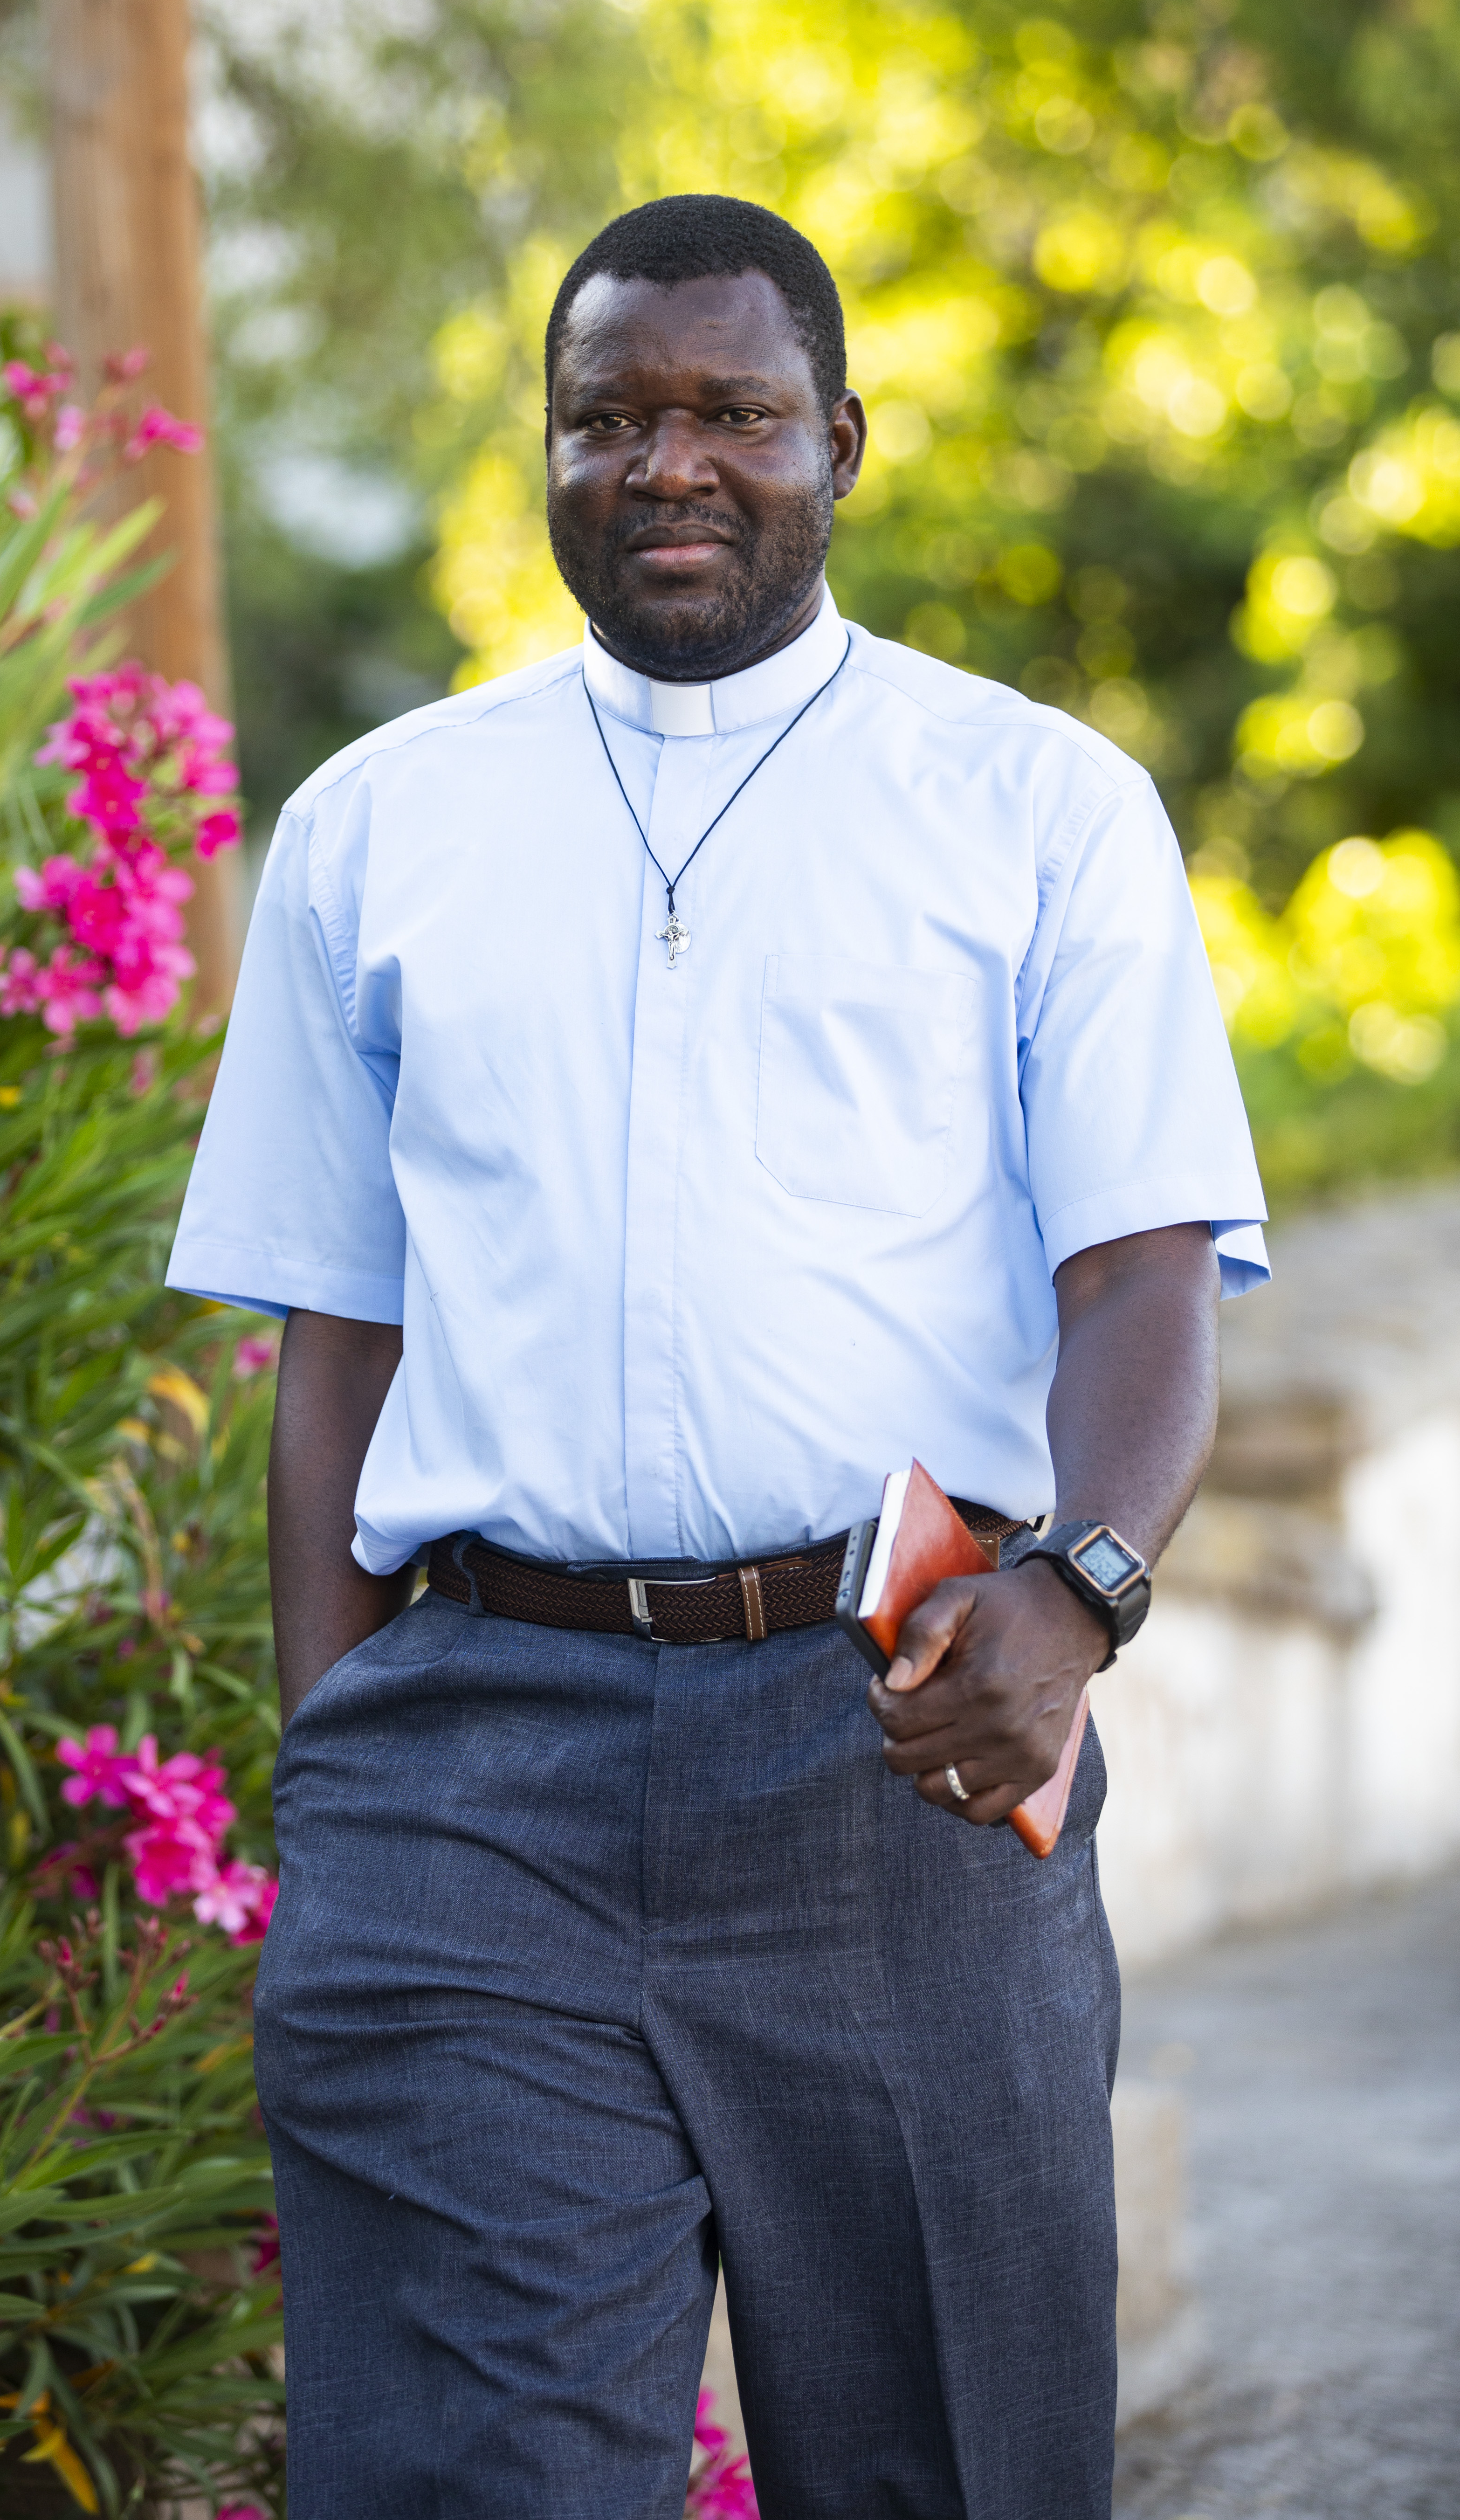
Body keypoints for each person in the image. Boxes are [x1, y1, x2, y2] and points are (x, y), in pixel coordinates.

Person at [167, 192, 1268, 2520]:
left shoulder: (1039, 808)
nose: (671, 463)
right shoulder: (380, 828)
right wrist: (337, 1762)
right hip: (470, 1773)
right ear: (545, 453)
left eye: (733, 414)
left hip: (902, 1740)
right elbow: (332, 1345)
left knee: (942, 2465)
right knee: (470, 2480)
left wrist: (1072, 1603)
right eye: (612, 418)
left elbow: (1145, 1279)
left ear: (840, 442)